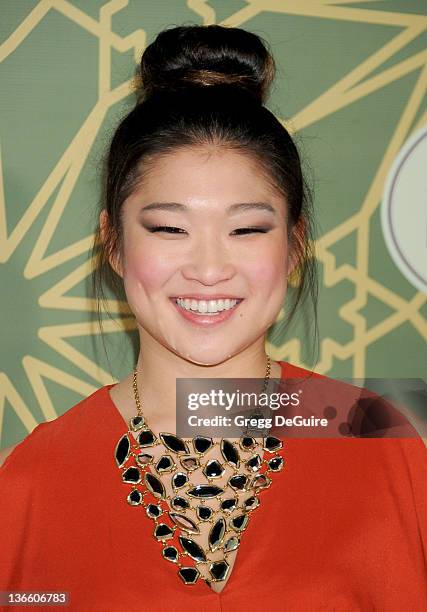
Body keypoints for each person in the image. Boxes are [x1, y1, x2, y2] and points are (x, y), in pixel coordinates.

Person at [0, 24, 426, 611]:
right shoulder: (32, 483)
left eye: (246, 229)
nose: (208, 268)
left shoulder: (380, 442)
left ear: (295, 244)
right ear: (113, 243)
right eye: (169, 229)